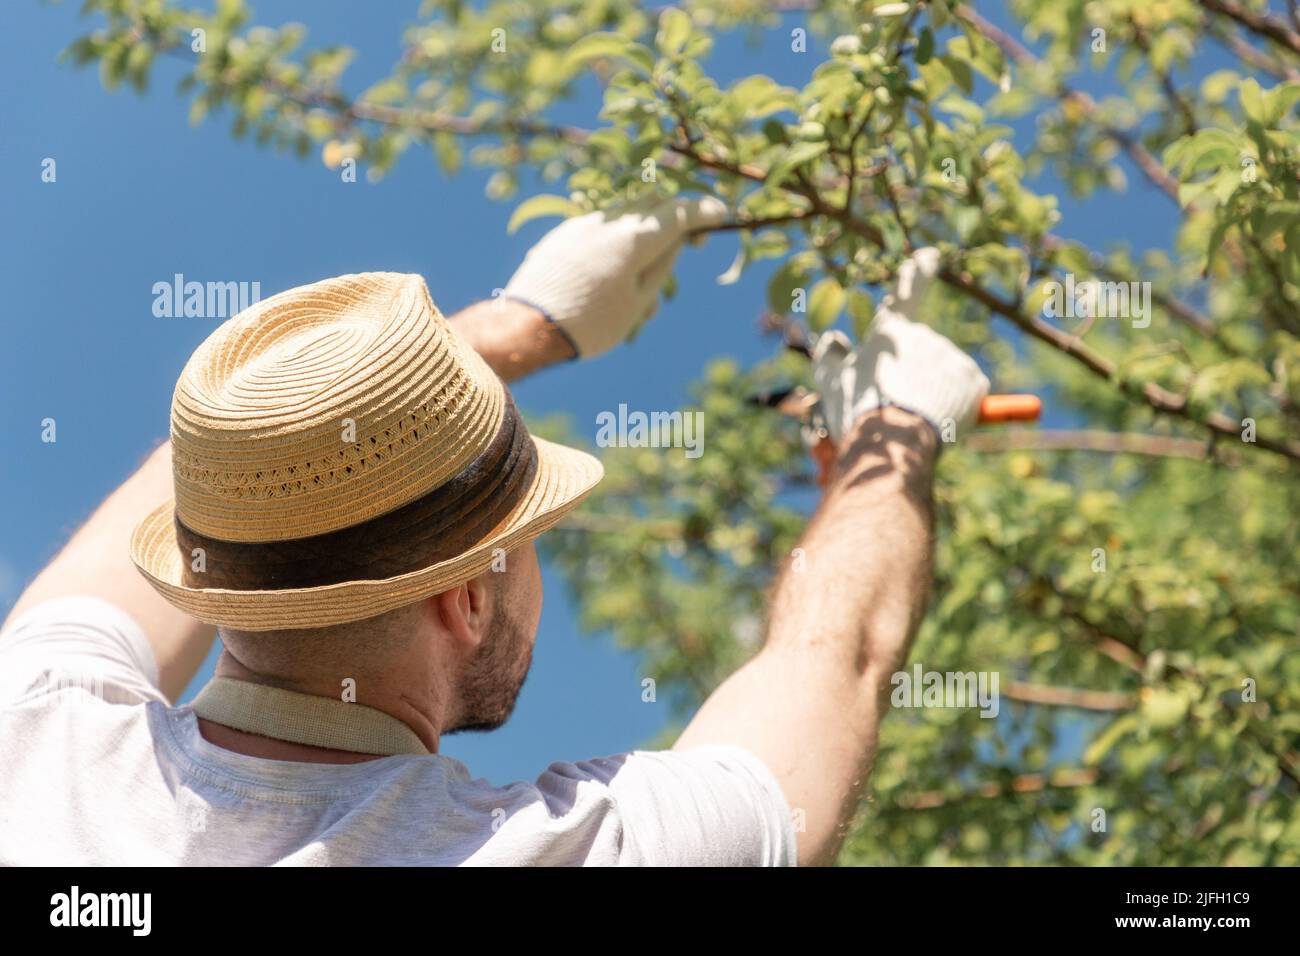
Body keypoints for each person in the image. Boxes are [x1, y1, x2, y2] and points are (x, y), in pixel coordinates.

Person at [0, 199, 987, 866]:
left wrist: (484, 343)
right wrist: (896, 437)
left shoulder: (34, 737)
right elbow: (836, 651)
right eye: (528, 532)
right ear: (466, 598)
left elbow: (224, 467)